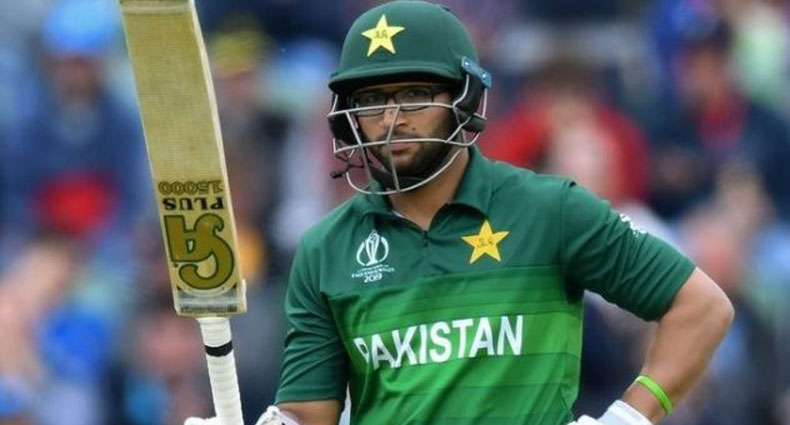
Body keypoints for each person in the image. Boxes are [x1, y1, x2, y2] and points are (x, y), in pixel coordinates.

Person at [188, 2, 733, 424]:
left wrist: (628, 417)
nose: (392, 119)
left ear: (464, 99)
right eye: (372, 100)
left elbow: (702, 308)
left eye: (415, 94)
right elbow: (311, 414)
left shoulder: (550, 210)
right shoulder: (325, 248)